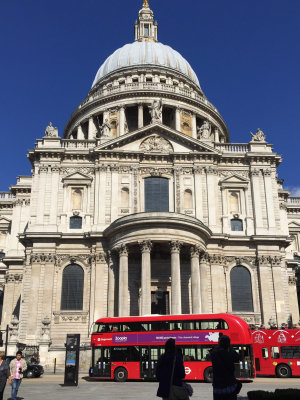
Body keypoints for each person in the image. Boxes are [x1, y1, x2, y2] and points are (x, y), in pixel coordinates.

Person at [211, 335, 240, 400]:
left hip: (217, 387)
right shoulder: (231, 354)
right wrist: (231, 348)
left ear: (219, 343)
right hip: (229, 386)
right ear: (228, 344)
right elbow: (238, 357)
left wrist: (218, 347)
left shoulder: (214, 354)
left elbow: (212, 353)